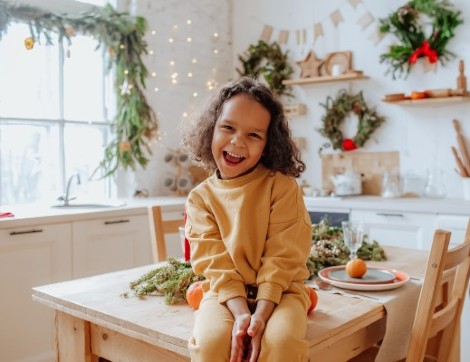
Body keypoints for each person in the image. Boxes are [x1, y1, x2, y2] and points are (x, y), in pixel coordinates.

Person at [182, 77, 312, 362]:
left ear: (267, 144)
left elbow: (283, 257)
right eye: (228, 127)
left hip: (283, 292)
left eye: (254, 135)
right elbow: (215, 265)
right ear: (210, 131)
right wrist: (242, 314)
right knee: (210, 344)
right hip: (224, 294)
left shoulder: (282, 187)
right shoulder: (200, 199)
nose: (237, 141)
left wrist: (261, 315)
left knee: (281, 343)